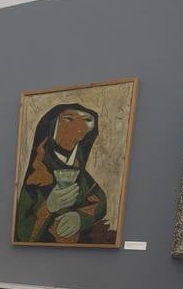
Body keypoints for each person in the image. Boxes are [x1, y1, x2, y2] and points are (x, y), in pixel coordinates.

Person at [13, 102, 112, 245]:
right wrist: (48, 207)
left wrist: (79, 217)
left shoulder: (80, 172)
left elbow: (100, 200)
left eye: (86, 120)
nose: (79, 128)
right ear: (52, 125)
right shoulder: (36, 173)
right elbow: (22, 233)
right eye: (68, 119)